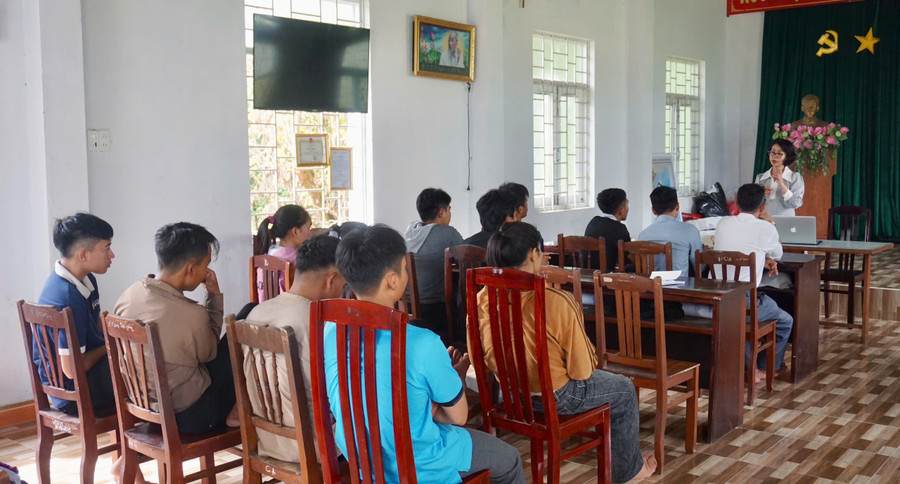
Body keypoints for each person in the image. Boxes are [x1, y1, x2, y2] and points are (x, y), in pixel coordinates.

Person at [327, 225, 525, 484]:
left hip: (364, 463)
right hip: (422, 465)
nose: (407, 274)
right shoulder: (420, 342)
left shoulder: (330, 333)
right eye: (404, 268)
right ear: (392, 280)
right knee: (510, 460)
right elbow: (458, 418)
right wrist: (442, 392)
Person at [472, 222, 656, 483]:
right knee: (624, 389)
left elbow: (477, 355)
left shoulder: (481, 298)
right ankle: (630, 473)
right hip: (557, 397)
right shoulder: (554, 300)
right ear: (534, 255)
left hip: (509, 394)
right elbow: (581, 371)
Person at [114, 222, 237, 434]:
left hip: (144, 405)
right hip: (192, 416)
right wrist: (214, 297)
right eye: (205, 265)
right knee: (241, 332)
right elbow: (210, 353)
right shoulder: (191, 314)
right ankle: (237, 414)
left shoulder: (130, 295)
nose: (207, 272)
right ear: (190, 268)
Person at [243, 235, 346, 463]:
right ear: (332, 278)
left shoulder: (256, 313)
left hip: (267, 439)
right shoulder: (320, 324)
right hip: (313, 445)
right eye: (343, 284)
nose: (342, 291)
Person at [36, 213, 116, 415]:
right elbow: (72, 369)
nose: (112, 255)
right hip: (74, 394)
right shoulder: (68, 298)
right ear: (83, 255)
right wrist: (110, 345)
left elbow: (94, 325)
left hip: (74, 384)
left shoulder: (80, 278)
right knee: (141, 371)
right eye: (106, 248)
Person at [714, 184, 794, 381]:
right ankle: (766, 368)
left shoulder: (723, 223)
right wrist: (771, 223)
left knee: (748, 318)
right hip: (745, 303)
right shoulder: (765, 228)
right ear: (763, 207)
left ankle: (750, 368)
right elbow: (778, 253)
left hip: (719, 300)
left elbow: (738, 252)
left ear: (737, 203)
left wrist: (761, 259)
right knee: (784, 320)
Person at [404, 188, 464, 332]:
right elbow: (466, 255)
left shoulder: (410, 230)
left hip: (405, 306)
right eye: (449, 210)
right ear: (441, 212)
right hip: (433, 309)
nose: (450, 215)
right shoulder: (448, 232)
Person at [638, 186, 702, 277]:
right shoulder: (690, 230)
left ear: (653, 210)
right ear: (678, 206)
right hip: (679, 289)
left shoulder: (643, 235)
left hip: (650, 288)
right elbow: (699, 266)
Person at [254, 205, 313, 301]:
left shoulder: (265, 259)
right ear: (295, 231)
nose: (311, 234)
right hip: (289, 314)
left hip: (264, 313)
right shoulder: (296, 261)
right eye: (308, 228)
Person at [754, 139, 804, 217]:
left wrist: (782, 185)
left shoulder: (795, 178)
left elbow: (796, 203)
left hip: (787, 223)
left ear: (787, 157)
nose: (774, 156)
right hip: (765, 221)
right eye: (772, 152)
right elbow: (753, 203)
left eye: (779, 154)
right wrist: (761, 195)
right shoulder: (761, 178)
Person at [584, 188, 631, 271]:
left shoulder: (593, 222)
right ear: (621, 210)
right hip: (607, 277)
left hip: (587, 273)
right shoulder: (619, 228)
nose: (628, 209)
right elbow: (628, 257)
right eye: (627, 206)